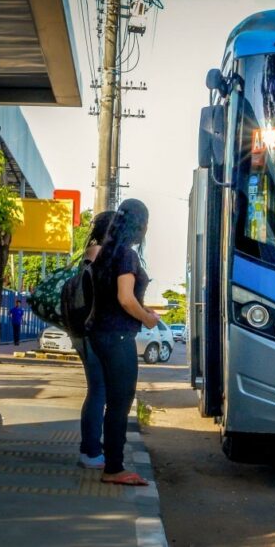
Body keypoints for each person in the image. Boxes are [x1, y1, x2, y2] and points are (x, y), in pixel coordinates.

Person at [87, 199, 160, 486]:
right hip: (117, 335)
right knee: (120, 402)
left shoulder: (105, 253)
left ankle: (112, 463)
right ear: (139, 225)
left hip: (100, 333)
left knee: (111, 400)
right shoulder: (127, 256)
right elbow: (125, 298)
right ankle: (114, 468)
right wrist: (147, 318)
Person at [71, 211, 115, 470]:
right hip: (93, 332)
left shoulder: (91, 251)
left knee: (98, 390)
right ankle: (90, 450)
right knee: (98, 390)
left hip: (87, 331)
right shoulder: (98, 253)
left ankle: (91, 449)